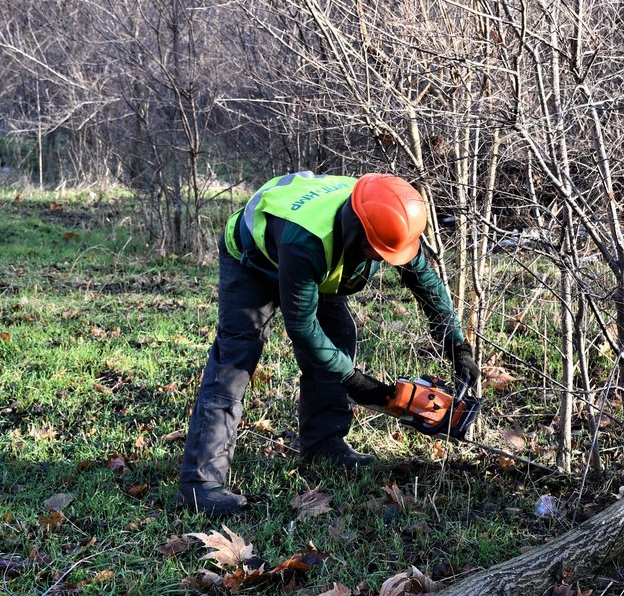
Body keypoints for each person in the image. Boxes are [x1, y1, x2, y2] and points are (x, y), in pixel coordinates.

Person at [177, 172, 480, 515]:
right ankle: (201, 483)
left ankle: (324, 444)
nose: (382, 259)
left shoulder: (389, 215)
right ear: (358, 229)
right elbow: (302, 327)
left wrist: (457, 347)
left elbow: (424, 281)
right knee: (236, 359)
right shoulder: (307, 239)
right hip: (255, 261)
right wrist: (356, 382)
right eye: (377, 251)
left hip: (320, 269)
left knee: (338, 339)